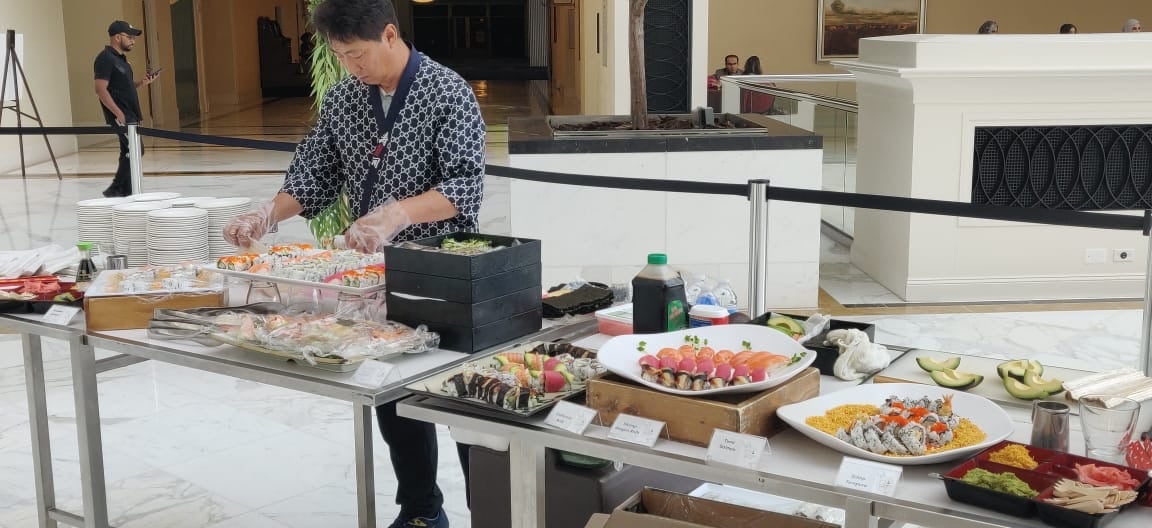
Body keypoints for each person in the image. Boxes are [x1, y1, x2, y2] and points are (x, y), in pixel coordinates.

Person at [223, 1, 484, 526]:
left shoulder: (447, 91)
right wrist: (267, 214)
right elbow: (312, 176)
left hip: (440, 271)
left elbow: (464, 185)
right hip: (371, 279)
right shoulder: (344, 98)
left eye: (357, 54)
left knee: (463, 398)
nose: (350, 66)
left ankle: (491, 511)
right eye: (340, 56)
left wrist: (395, 214)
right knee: (390, 392)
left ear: (389, 34)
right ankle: (421, 511)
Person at [93, 20, 160, 198]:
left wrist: (141, 83)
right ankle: (116, 188)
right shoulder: (105, 59)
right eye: (129, 37)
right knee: (136, 149)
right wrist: (119, 114)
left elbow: (123, 87)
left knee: (129, 150)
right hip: (121, 115)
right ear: (117, 37)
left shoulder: (121, 60)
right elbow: (100, 89)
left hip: (130, 113)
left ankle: (124, 190)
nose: (133, 41)